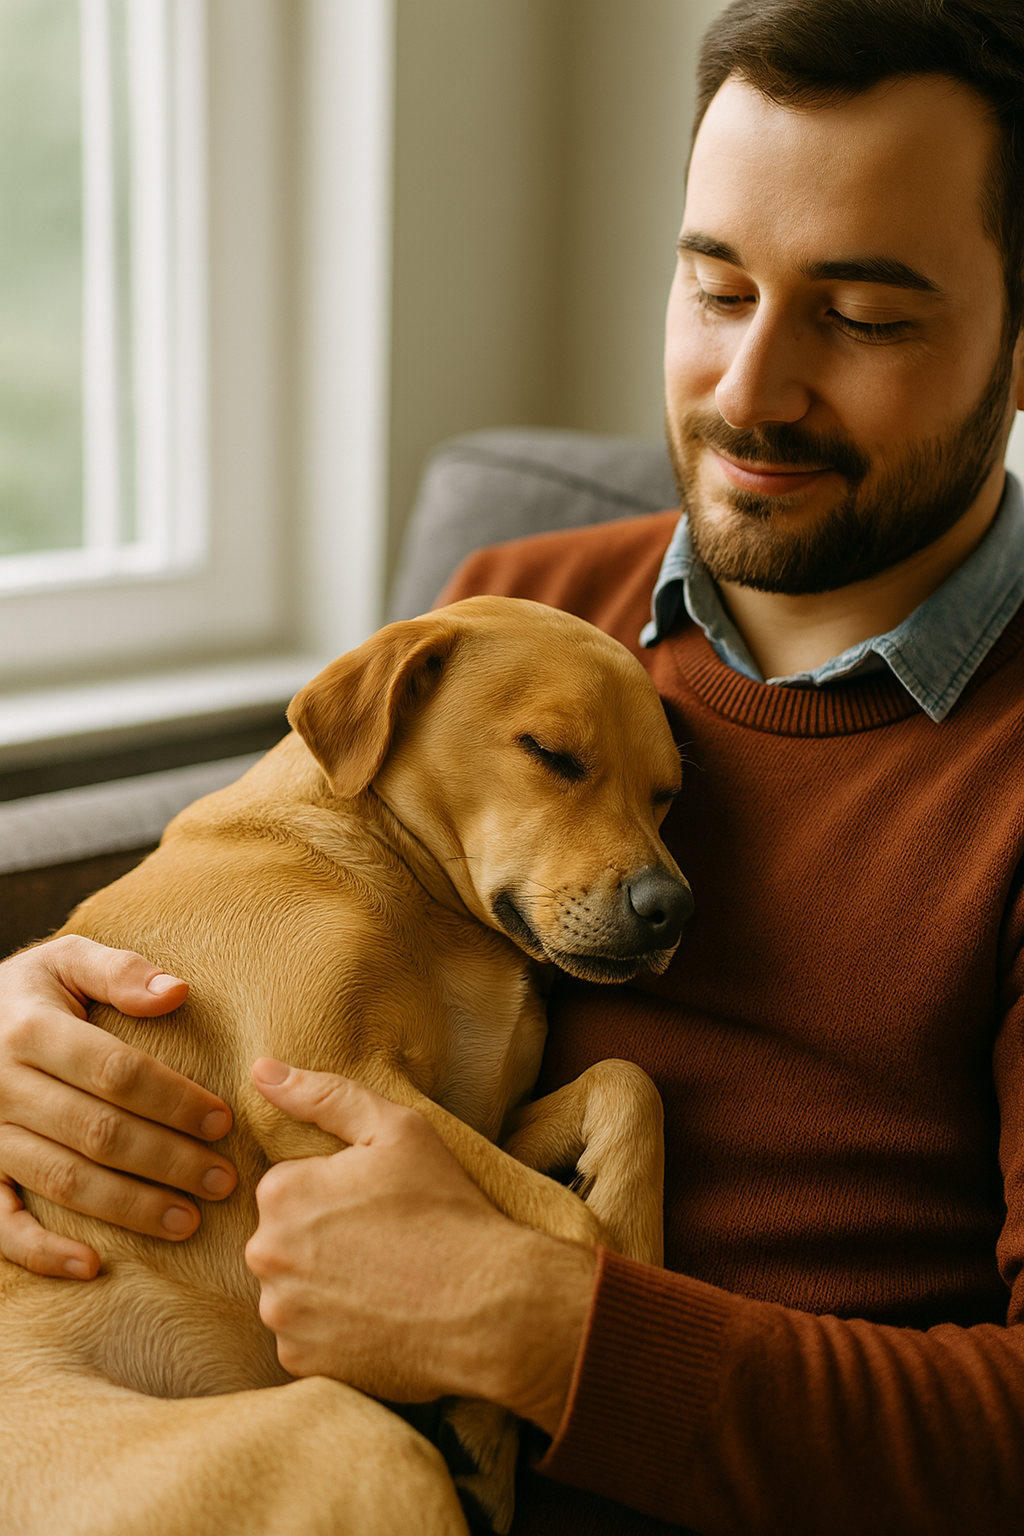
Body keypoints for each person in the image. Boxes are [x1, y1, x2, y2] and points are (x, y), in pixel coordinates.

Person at [2, 1, 1024, 1530]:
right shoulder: (523, 601)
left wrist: (548, 1331)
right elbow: (260, 900)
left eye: (865, 318)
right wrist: (45, 1023)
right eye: (715, 286)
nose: (750, 390)